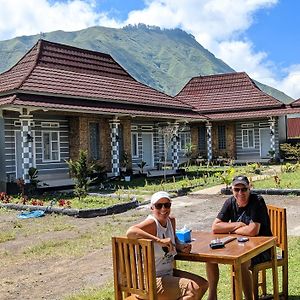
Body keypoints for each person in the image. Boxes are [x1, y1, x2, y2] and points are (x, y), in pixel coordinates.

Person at [126, 191, 208, 300]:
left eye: (167, 205)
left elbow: (175, 241)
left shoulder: (171, 220)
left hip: (168, 273)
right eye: (159, 206)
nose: (163, 209)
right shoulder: (152, 223)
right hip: (149, 280)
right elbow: (130, 232)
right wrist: (158, 240)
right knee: (191, 288)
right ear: (152, 208)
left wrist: (181, 246)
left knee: (203, 284)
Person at [206, 175, 272, 300]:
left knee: (242, 264)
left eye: (244, 189)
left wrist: (230, 228)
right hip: (239, 248)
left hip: (262, 249)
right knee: (211, 259)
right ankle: (212, 296)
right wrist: (238, 225)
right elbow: (215, 227)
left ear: (249, 189)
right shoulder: (230, 202)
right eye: (236, 189)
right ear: (232, 190)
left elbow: (253, 230)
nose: (240, 193)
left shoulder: (257, 201)